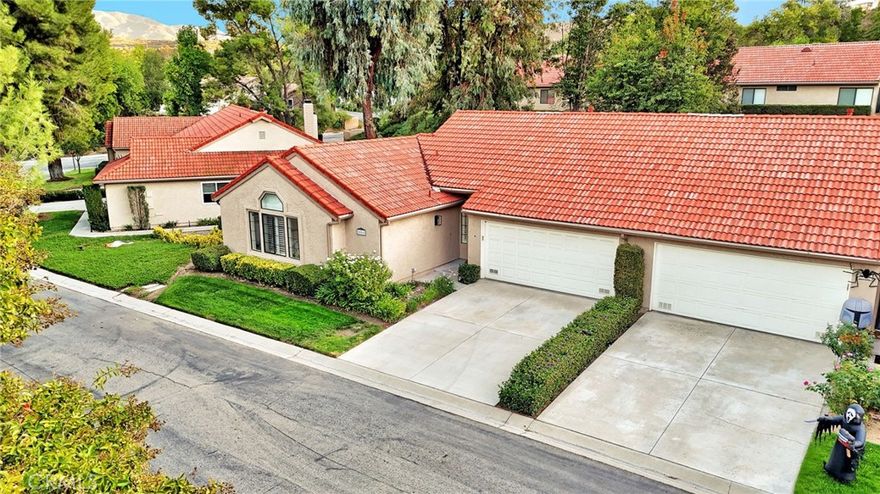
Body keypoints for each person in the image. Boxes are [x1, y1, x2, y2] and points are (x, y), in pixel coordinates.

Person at [815, 404, 867, 483]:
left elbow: (860, 442)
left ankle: (845, 477)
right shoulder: (844, 419)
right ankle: (830, 469)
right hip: (839, 444)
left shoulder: (860, 428)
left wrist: (852, 444)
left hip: (849, 449)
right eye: (848, 413)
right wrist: (826, 419)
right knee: (836, 457)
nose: (849, 416)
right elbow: (833, 419)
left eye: (851, 414)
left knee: (846, 463)